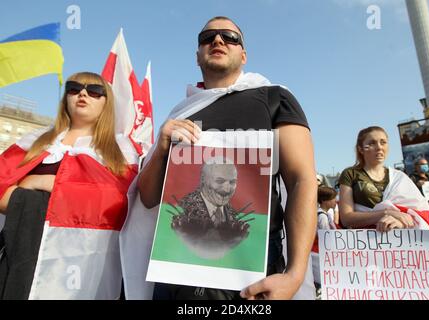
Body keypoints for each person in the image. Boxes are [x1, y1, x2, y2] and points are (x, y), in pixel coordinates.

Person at [127, 16, 317, 300]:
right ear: (197, 56)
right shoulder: (180, 113)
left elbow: (302, 180)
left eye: (230, 37)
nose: (218, 40)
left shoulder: (275, 99)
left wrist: (294, 274)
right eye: (208, 37)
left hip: (251, 275)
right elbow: (150, 198)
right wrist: (163, 146)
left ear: (244, 55)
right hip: (177, 274)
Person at [0, 72, 138, 299]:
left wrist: (43, 182)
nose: (82, 93)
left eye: (94, 91)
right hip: (22, 249)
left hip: (83, 261)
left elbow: (119, 203)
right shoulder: (35, 141)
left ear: (107, 102)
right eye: (74, 88)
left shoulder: (120, 150)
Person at [338, 126, 429, 232]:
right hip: (365, 241)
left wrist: (400, 222)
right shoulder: (350, 174)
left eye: (383, 142)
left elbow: (417, 212)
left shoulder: (400, 177)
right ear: (361, 149)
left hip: (398, 241)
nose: (379, 147)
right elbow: (346, 218)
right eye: (372, 143)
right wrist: (387, 213)